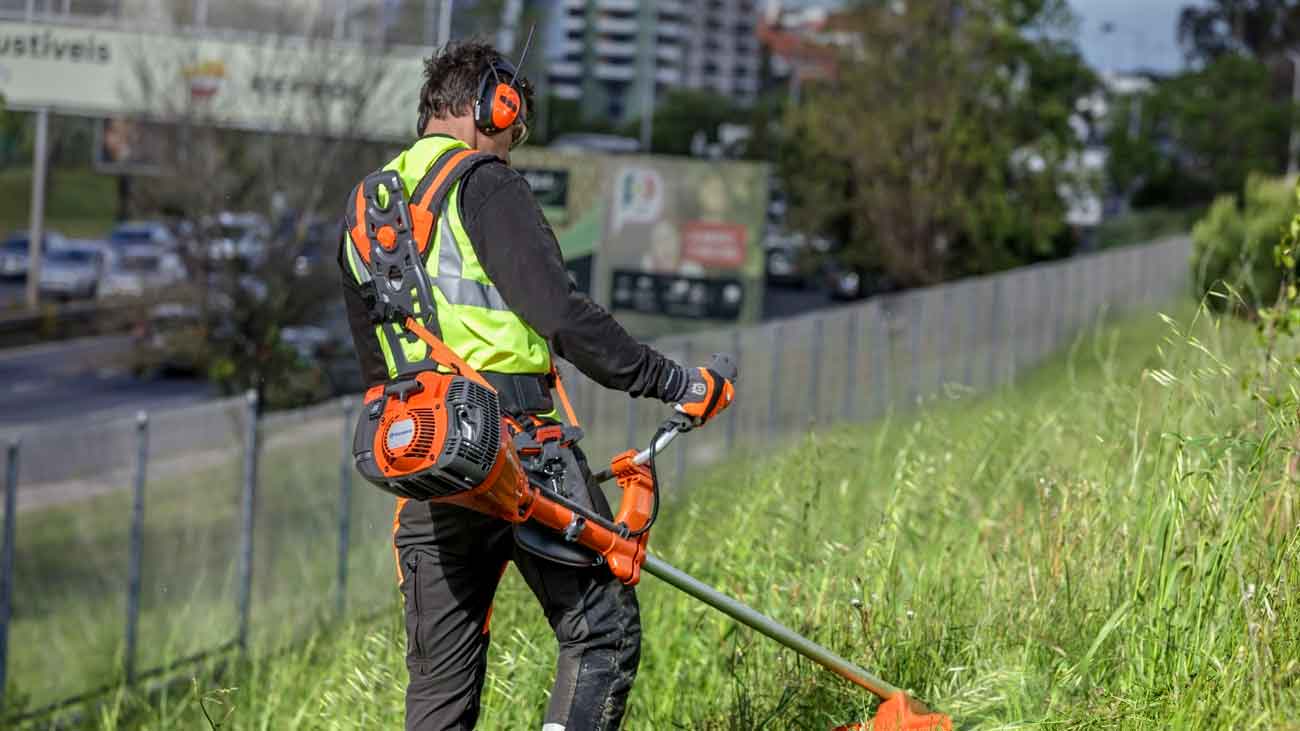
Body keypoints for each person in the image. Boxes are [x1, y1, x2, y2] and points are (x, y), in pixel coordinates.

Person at [337, 41, 734, 731]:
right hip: (519, 450)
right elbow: (558, 314)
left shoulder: (365, 212)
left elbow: (378, 367)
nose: (512, 147)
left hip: (427, 463)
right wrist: (672, 380)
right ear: (495, 104)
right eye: (512, 130)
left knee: (438, 690)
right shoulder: (485, 183)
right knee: (601, 632)